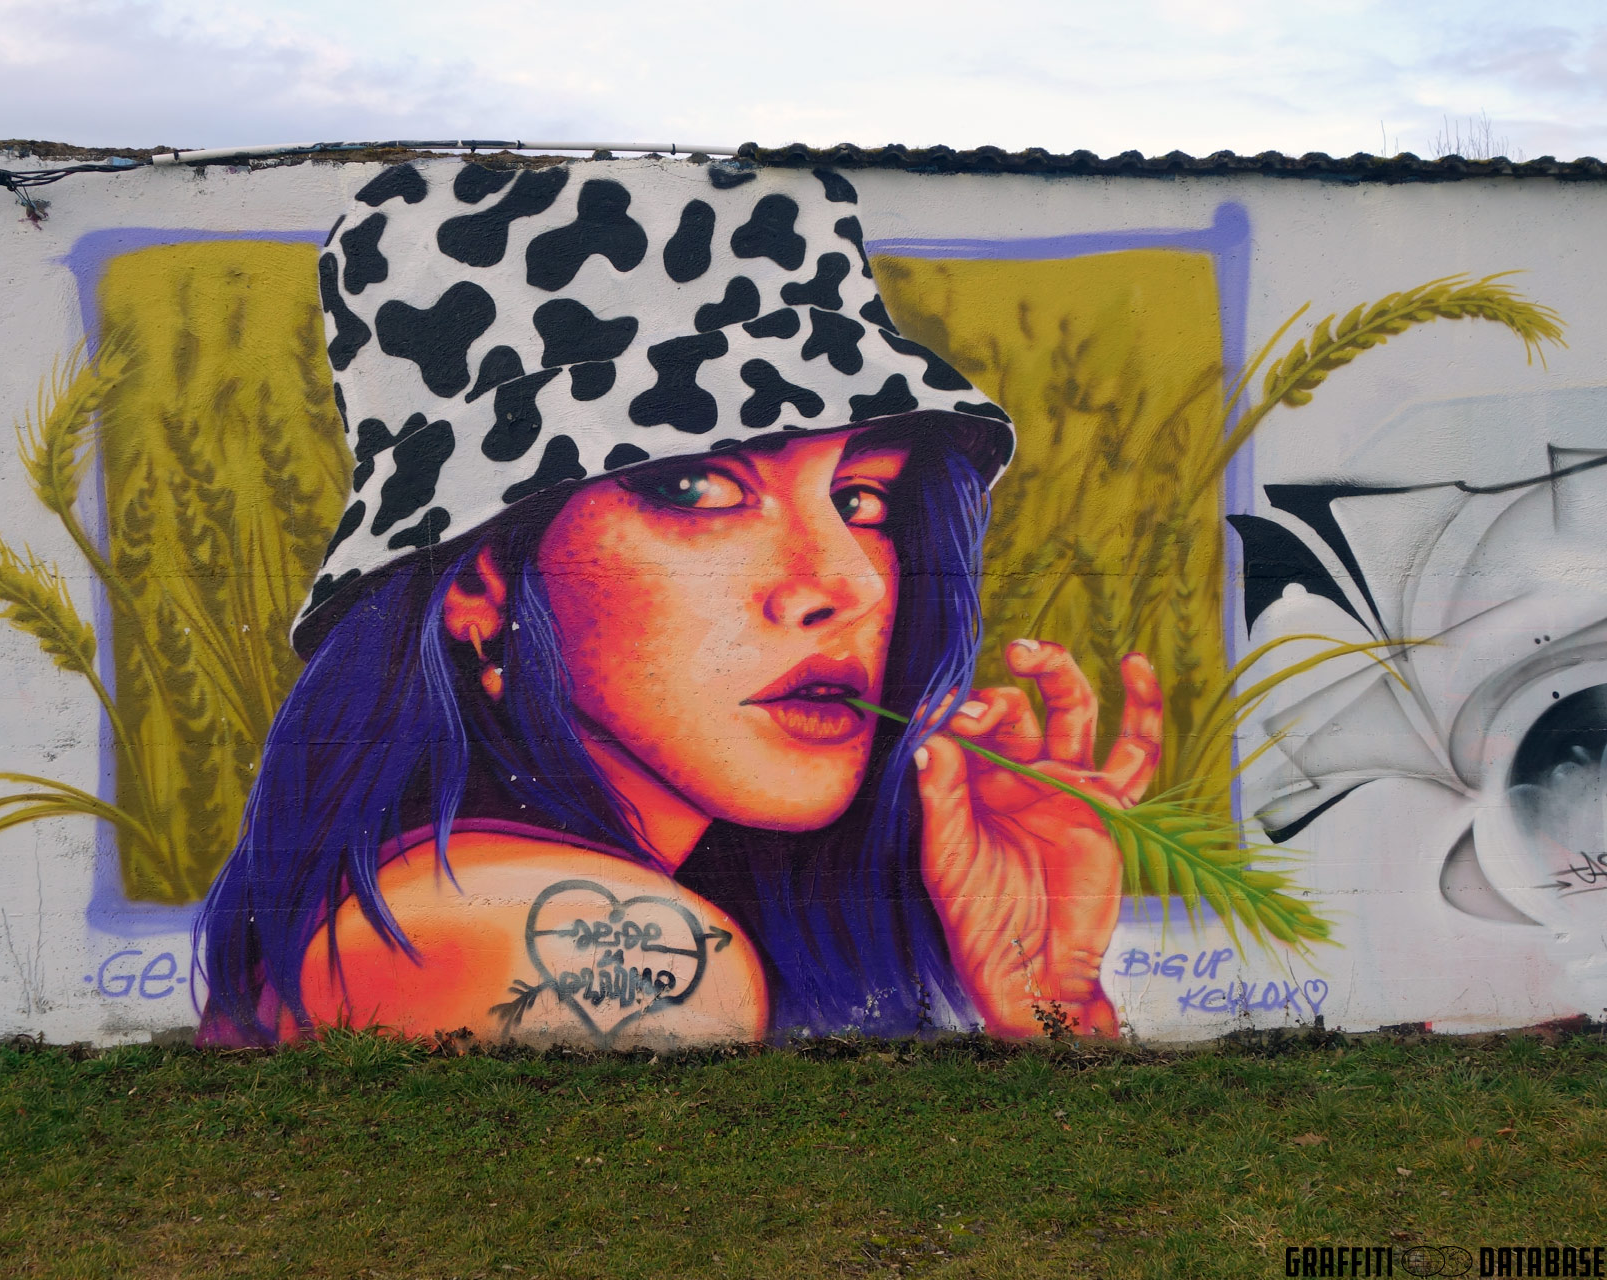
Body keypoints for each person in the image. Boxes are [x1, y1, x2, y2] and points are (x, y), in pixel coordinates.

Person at [196, 158, 1162, 1047]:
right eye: (699, 488)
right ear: (482, 581)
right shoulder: (584, 945)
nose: (850, 584)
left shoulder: (451, 895)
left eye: (861, 499)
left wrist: (1047, 1002)